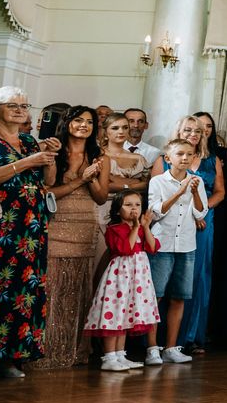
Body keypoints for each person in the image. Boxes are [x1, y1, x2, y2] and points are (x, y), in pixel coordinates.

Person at [0, 87, 58, 381]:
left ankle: (11, 357)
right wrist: (26, 162)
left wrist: (49, 158)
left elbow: (48, 180)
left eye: (24, 105)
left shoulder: (28, 141)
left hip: (31, 228)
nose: (20, 110)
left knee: (23, 291)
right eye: (12, 105)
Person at [40, 105, 105, 369]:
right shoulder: (55, 152)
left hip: (85, 224)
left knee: (77, 287)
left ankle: (74, 349)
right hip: (57, 223)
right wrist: (80, 179)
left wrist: (92, 178)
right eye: (78, 120)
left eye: (89, 122)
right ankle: (46, 349)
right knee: (53, 286)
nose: (83, 125)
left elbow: (101, 197)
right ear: (67, 123)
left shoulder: (99, 156)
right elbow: (49, 192)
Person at [144, 138, 207, 364]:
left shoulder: (197, 180)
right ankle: (152, 348)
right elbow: (156, 212)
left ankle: (171, 348)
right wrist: (179, 192)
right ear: (168, 158)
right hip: (162, 243)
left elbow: (200, 214)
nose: (185, 158)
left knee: (179, 297)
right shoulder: (158, 181)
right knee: (156, 296)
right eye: (180, 154)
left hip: (186, 245)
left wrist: (195, 192)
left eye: (189, 154)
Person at [86, 190, 161, 372]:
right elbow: (125, 249)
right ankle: (109, 357)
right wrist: (135, 228)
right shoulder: (114, 229)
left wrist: (145, 227)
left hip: (138, 279)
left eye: (137, 205)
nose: (134, 209)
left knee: (126, 314)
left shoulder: (141, 229)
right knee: (115, 313)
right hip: (120, 279)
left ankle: (120, 355)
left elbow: (153, 248)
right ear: (118, 210)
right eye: (128, 205)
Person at [178, 112, 227, 354]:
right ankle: (167, 337)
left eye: (197, 131)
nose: (193, 134)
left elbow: (220, 192)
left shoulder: (212, 160)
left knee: (199, 275)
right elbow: (158, 190)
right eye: (188, 130)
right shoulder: (166, 157)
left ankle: (193, 335)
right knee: (176, 274)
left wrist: (202, 210)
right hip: (175, 220)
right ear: (179, 132)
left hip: (203, 221)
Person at [97, 112, 152, 227]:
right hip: (101, 208)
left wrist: (114, 180)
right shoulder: (97, 155)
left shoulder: (139, 158)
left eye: (125, 127)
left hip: (131, 213)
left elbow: (146, 185)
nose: (121, 131)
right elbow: (104, 185)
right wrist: (134, 183)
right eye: (115, 128)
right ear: (105, 132)